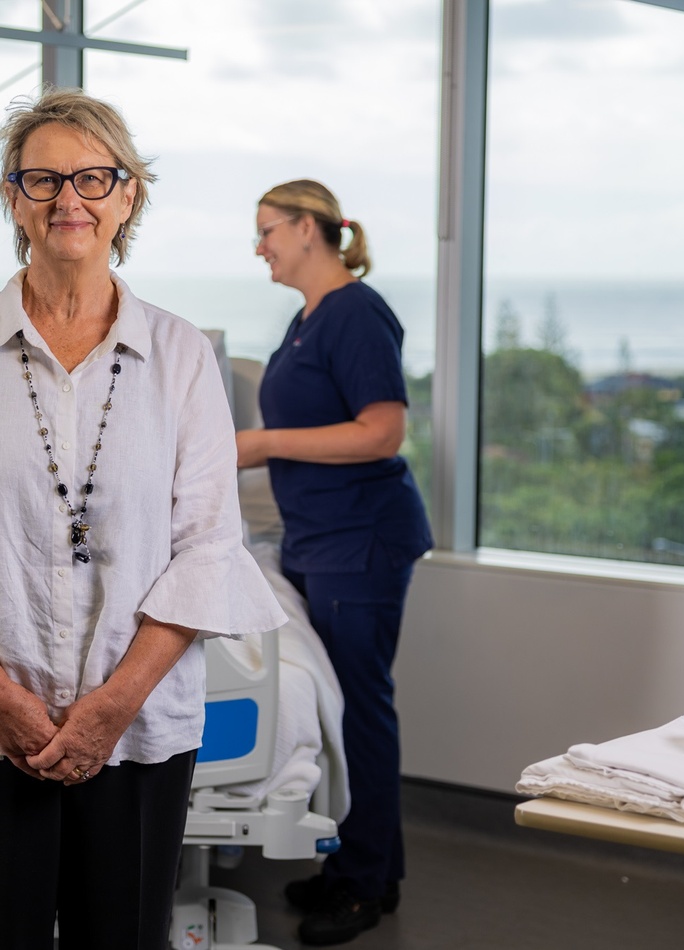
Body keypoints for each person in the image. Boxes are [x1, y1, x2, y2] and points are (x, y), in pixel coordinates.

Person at [0, 87, 286, 950]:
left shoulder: (181, 354)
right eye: (42, 180)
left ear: (129, 197)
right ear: (13, 198)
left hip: (139, 727)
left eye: (93, 178)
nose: (68, 200)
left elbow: (207, 547)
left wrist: (108, 710)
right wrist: (4, 700)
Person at [236, 179, 433, 946]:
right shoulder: (306, 318)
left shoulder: (354, 311)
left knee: (361, 711)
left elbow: (382, 433)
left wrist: (260, 445)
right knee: (351, 708)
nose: (260, 248)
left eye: (268, 231)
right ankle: (369, 872)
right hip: (321, 540)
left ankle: (359, 886)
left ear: (312, 229)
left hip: (362, 540)